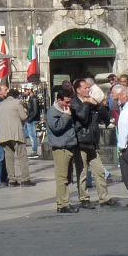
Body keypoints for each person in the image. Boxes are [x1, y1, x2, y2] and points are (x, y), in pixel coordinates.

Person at [71, 77, 115, 207]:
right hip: (80, 142)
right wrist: (86, 103)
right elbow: (83, 118)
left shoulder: (91, 101)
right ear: (78, 90)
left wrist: (98, 105)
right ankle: (84, 198)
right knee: (83, 172)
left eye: (89, 87)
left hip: (92, 142)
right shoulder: (74, 103)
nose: (88, 90)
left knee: (100, 171)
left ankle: (104, 198)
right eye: (85, 88)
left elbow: (106, 118)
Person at [45, 85, 80, 215]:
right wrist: (65, 116)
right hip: (61, 148)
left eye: (70, 101)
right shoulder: (52, 112)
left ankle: (63, 202)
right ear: (59, 100)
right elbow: (56, 128)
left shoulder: (67, 109)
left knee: (68, 176)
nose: (68, 104)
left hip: (70, 146)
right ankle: (63, 204)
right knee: (62, 177)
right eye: (66, 102)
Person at [0, 83, 31, 187]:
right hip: (16, 134)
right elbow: (23, 117)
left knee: (9, 158)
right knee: (22, 156)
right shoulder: (17, 102)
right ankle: (25, 179)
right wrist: (25, 112)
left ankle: (12, 180)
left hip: (3, 135)